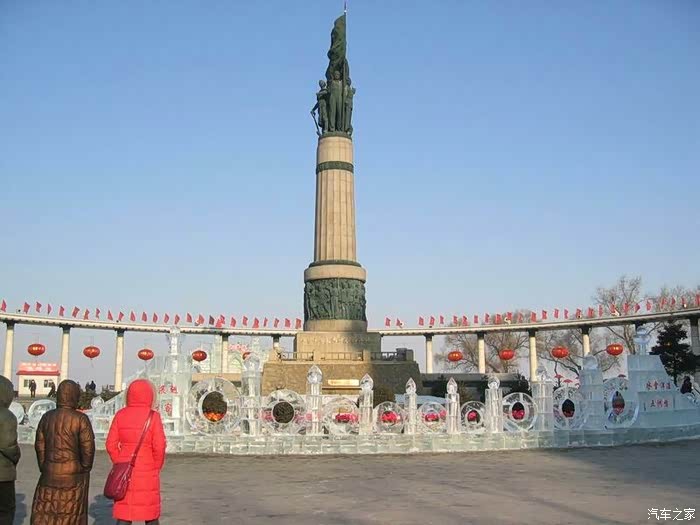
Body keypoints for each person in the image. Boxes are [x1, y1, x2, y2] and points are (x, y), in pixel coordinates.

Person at [31, 380, 95, 525]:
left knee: (46, 512)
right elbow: (88, 449)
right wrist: (84, 467)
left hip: (49, 472)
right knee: (71, 513)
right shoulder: (81, 419)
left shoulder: (47, 417)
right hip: (73, 475)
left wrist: (44, 465)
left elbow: (40, 445)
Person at [106, 379, 166, 525]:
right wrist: (155, 466)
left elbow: (110, 444)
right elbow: (159, 446)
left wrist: (119, 461)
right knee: (150, 513)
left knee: (125, 513)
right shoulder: (153, 417)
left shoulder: (120, 415)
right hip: (147, 470)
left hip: (124, 469)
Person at [0, 375, 21, 525]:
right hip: (3, 474)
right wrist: (16, 456)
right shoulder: (6, 416)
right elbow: (8, 445)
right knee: (5, 511)